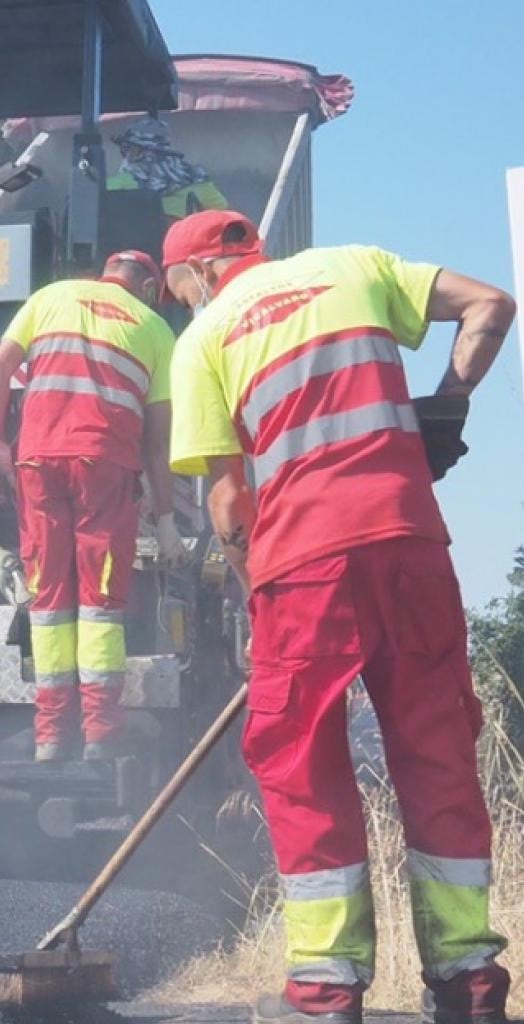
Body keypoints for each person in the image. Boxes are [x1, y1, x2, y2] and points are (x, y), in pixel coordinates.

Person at [163, 209, 515, 1024]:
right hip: (410, 539)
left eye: (181, 290)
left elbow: (226, 505)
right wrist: (448, 406)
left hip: (303, 565)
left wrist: (259, 599)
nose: (185, 305)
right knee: (437, 752)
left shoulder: (207, 335)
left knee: (302, 762)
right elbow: (493, 304)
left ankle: (325, 994)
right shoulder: (354, 265)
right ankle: (468, 984)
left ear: (201, 273)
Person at [0, 250, 187, 762]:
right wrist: (165, 520)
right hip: (106, 470)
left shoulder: (50, 297)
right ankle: (99, 734)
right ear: (146, 287)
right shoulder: (156, 328)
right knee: (100, 604)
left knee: (48, 601)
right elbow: (158, 443)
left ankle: (50, 736)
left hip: (39, 462)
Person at [108, 116, 229, 220]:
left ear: (139, 151)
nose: (126, 155)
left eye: (128, 149)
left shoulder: (119, 184)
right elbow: (224, 216)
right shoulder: (195, 177)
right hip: (186, 245)